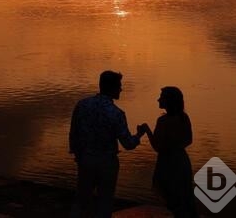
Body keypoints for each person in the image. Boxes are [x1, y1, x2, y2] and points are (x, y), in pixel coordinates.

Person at [69, 70, 146, 218]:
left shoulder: (82, 105)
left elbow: (74, 134)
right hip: (107, 163)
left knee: (81, 200)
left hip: (86, 159)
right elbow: (128, 144)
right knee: (105, 201)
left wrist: (78, 156)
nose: (121, 89)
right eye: (119, 86)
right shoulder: (116, 113)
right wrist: (139, 135)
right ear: (112, 87)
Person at [141, 87, 198, 218]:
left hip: (167, 163)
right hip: (182, 161)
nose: (158, 99)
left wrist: (146, 129)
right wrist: (175, 146)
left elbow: (157, 146)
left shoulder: (163, 121)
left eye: (161, 97)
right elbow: (189, 140)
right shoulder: (184, 117)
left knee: (171, 198)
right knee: (184, 197)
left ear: (169, 101)